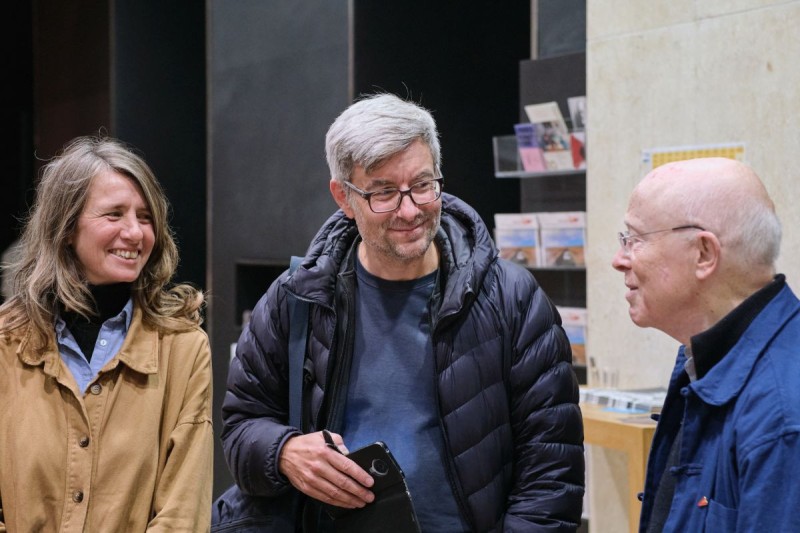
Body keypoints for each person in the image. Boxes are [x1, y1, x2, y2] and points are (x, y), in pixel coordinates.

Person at [221, 93, 584, 531]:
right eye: (384, 192)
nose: (409, 210)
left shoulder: (512, 299)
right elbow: (241, 427)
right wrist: (282, 451)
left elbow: (552, 472)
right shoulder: (296, 298)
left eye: (422, 184)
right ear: (343, 197)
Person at [0, 136, 213, 531]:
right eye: (114, 215)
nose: (134, 233)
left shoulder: (183, 347)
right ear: (65, 228)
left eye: (145, 217)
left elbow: (183, 512)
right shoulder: (6, 342)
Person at [611, 157, 800, 532]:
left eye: (635, 240)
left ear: (704, 254)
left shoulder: (782, 413)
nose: (620, 260)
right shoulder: (705, 359)